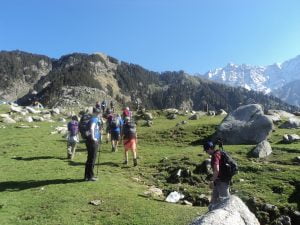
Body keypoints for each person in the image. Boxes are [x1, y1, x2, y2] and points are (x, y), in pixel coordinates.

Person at [203, 141, 230, 210]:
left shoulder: (215, 156)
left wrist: (212, 180)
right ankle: (209, 215)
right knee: (213, 201)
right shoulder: (219, 153)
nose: (206, 152)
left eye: (206, 150)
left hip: (222, 181)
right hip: (218, 181)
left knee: (226, 202)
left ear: (209, 149)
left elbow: (217, 170)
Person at [84, 107, 102, 181]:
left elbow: (89, 129)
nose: (98, 114)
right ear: (95, 113)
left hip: (89, 141)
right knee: (92, 159)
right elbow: (92, 128)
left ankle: (86, 176)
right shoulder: (94, 119)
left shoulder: (91, 119)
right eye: (97, 113)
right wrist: (94, 137)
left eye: (99, 113)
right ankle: (90, 176)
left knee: (89, 158)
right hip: (93, 141)